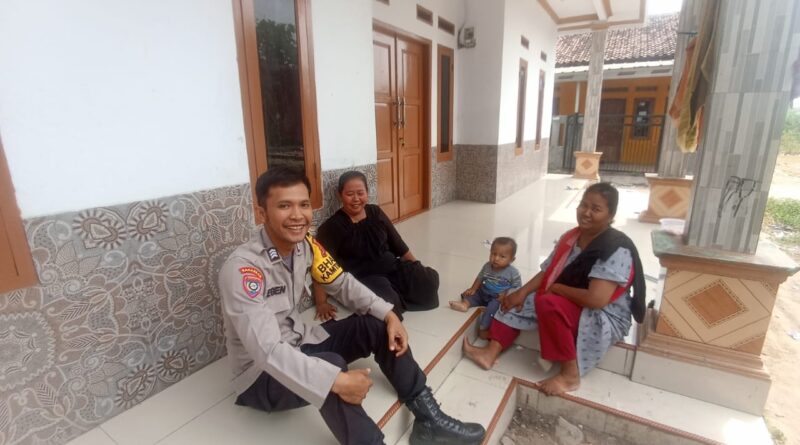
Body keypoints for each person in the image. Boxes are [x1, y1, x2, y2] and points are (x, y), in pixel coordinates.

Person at [218, 167, 485, 445]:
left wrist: (388, 313)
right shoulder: (243, 270)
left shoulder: (305, 246)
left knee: (376, 323)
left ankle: (430, 420)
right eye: (284, 206)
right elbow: (267, 351)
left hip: (299, 341)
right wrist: (334, 380)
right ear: (262, 213)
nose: (297, 215)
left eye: (304, 204)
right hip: (260, 375)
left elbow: (342, 283)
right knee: (331, 367)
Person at [463, 183, 645, 397]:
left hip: (604, 314)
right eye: (583, 205)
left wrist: (557, 288)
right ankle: (490, 353)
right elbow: (549, 271)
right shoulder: (572, 237)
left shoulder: (615, 248)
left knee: (548, 302)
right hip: (571, 301)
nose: (586, 213)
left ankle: (570, 375)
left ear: (610, 215)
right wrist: (521, 293)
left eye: (596, 209)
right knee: (514, 297)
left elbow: (596, 300)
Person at [315, 171, 439, 321]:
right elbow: (321, 266)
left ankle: (401, 291)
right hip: (365, 278)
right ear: (340, 195)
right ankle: (395, 298)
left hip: (391, 267)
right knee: (387, 305)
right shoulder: (331, 227)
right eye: (350, 194)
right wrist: (321, 302)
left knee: (427, 280)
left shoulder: (375, 212)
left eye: (360, 193)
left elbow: (398, 244)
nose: (356, 199)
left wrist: (416, 267)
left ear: (367, 193)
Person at [449, 237, 522, 339]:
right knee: (471, 295)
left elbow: (517, 288)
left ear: (512, 259)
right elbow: (480, 277)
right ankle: (465, 305)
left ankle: (483, 329)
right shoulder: (487, 266)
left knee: (492, 309)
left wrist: (506, 294)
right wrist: (473, 288)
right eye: (493, 254)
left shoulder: (513, 273)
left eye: (502, 256)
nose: (496, 258)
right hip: (483, 291)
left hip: (497, 297)